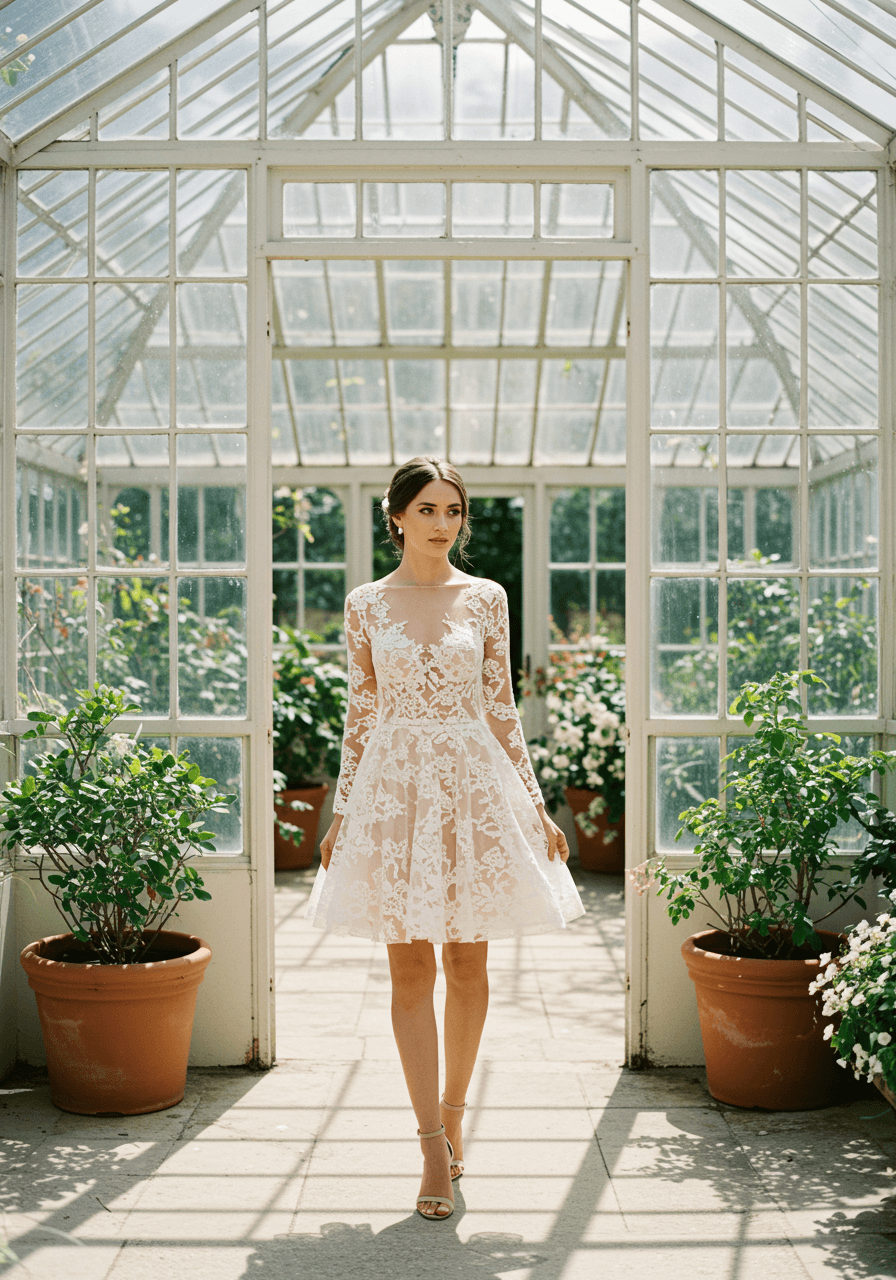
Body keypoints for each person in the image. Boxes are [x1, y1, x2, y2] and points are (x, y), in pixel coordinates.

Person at [305, 456, 584, 1221]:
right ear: (396, 517)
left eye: (452, 511)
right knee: (408, 971)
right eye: (426, 509)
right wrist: (342, 812)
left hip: (470, 785)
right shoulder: (365, 604)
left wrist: (536, 806)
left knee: (466, 962)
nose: (441, 524)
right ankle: (431, 1144)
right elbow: (361, 713)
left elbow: (502, 709)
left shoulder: (487, 597)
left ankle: (455, 1116)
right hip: (395, 788)